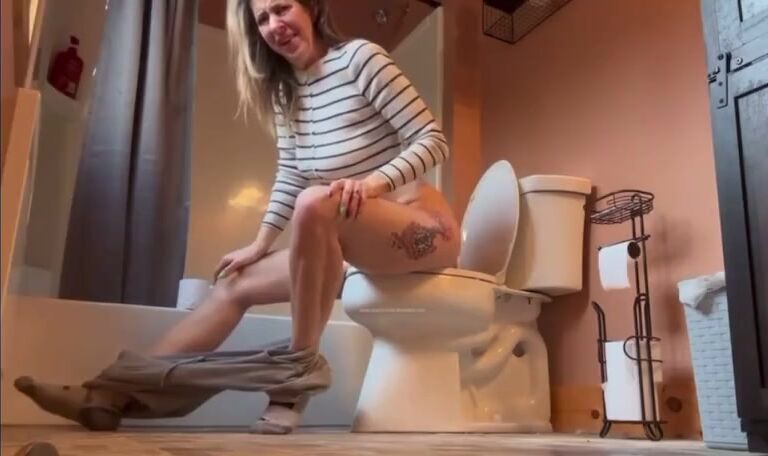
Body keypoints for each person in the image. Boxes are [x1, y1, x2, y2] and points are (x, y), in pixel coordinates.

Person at [14, 0, 460, 435]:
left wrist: (372, 185)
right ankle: (107, 394)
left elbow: (432, 139)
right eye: (262, 19)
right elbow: (291, 174)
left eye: (282, 9)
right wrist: (259, 245)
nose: (274, 24)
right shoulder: (288, 95)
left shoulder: (361, 59)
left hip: (423, 228)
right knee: (234, 282)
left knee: (315, 203)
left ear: (311, 8)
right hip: (352, 236)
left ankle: (292, 385)